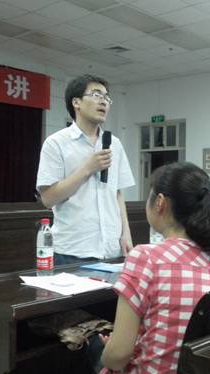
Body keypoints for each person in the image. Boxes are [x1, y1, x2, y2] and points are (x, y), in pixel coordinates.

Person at [94, 162, 210, 374]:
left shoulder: (146, 258)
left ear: (160, 202)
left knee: (92, 350)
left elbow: (118, 356)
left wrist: (111, 351)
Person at [36, 74, 135, 265]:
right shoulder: (56, 143)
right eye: (96, 95)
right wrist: (87, 169)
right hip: (72, 252)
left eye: (106, 97)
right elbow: (48, 199)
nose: (104, 101)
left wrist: (126, 233)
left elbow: (116, 193)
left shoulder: (114, 143)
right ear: (76, 102)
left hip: (111, 250)